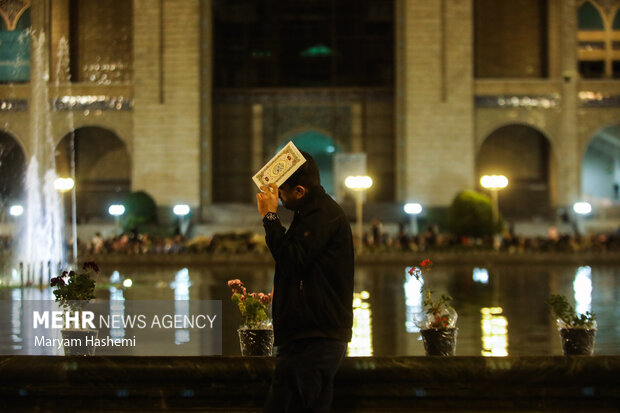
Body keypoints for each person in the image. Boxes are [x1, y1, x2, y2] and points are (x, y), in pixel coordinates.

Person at [256, 151, 354, 413]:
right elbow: (302, 264)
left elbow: (291, 259)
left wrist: (269, 217)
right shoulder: (312, 212)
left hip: (315, 339)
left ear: (299, 190)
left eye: (281, 192)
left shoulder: (323, 216)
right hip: (308, 336)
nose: (277, 198)